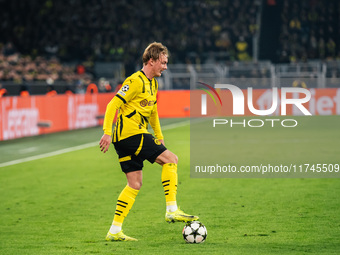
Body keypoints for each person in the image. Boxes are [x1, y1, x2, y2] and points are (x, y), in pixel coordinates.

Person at [99, 42, 198, 242]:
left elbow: (153, 112)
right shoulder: (135, 80)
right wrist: (106, 132)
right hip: (130, 134)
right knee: (171, 159)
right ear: (151, 61)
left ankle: (114, 230)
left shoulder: (153, 83)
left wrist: (159, 136)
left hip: (128, 138)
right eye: (163, 62)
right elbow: (112, 105)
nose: (165, 67)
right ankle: (172, 209)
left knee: (134, 184)